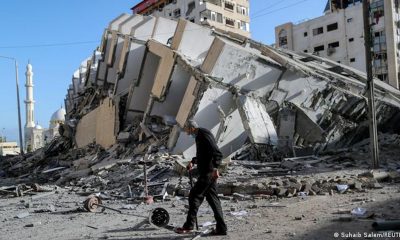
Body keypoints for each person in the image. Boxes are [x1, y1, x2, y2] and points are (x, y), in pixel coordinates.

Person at [176, 119, 227, 235]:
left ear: (192, 128)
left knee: (194, 196)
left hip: (208, 173)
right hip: (207, 173)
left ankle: (188, 226)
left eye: (188, 131)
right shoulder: (199, 136)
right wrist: (193, 161)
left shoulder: (204, 134)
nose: (188, 133)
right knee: (214, 201)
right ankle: (221, 229)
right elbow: (204, 154)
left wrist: (215, 168)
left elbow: (217, 152)